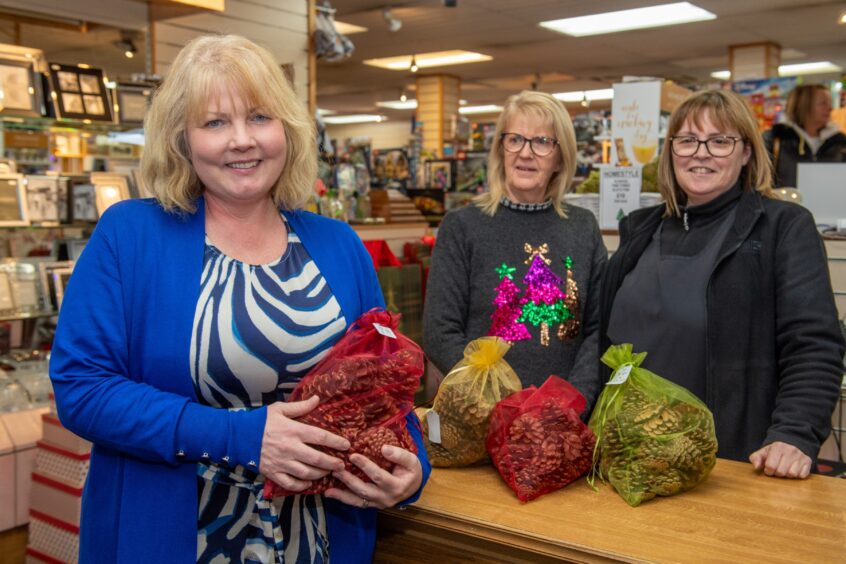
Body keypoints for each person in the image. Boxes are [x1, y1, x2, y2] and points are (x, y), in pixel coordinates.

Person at [49, 35, 430, 563]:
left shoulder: (338, 244)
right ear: (181, 139)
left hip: (317, 541)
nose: (242, 141)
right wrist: (240, 436)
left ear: (287, 131)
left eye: (259, 118)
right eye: (214, 123)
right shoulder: (129, 236)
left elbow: (385, 387)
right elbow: (81, 389)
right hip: (176, 538)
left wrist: (410, 469)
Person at [599, 89, 845, 479]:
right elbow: (601, 338)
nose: (701, 152)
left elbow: (814, 344)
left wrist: (794, 434)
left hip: (727, 466)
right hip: (629, 458)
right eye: (688, 140)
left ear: (746, 152)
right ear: (671, 151)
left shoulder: (783, 227)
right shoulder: (640, 230)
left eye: (720, 141)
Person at [423, 90, 606, 408]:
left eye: (542, 142)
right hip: (480, 418)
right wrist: (498, 403)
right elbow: (440, 332)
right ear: (500, 149)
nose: (525, 153)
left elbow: (597, 329)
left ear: (561, 157)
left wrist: (572, 402)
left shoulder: (583, 227)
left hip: (562, 420)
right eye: (515, 140)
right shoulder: (462, 226)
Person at [764, 84, 846, 187]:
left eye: (830, 103)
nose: (830, 108)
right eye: (823, 103)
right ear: (804, 105)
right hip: (785, 201)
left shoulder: (840, 142)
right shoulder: (776, 138)